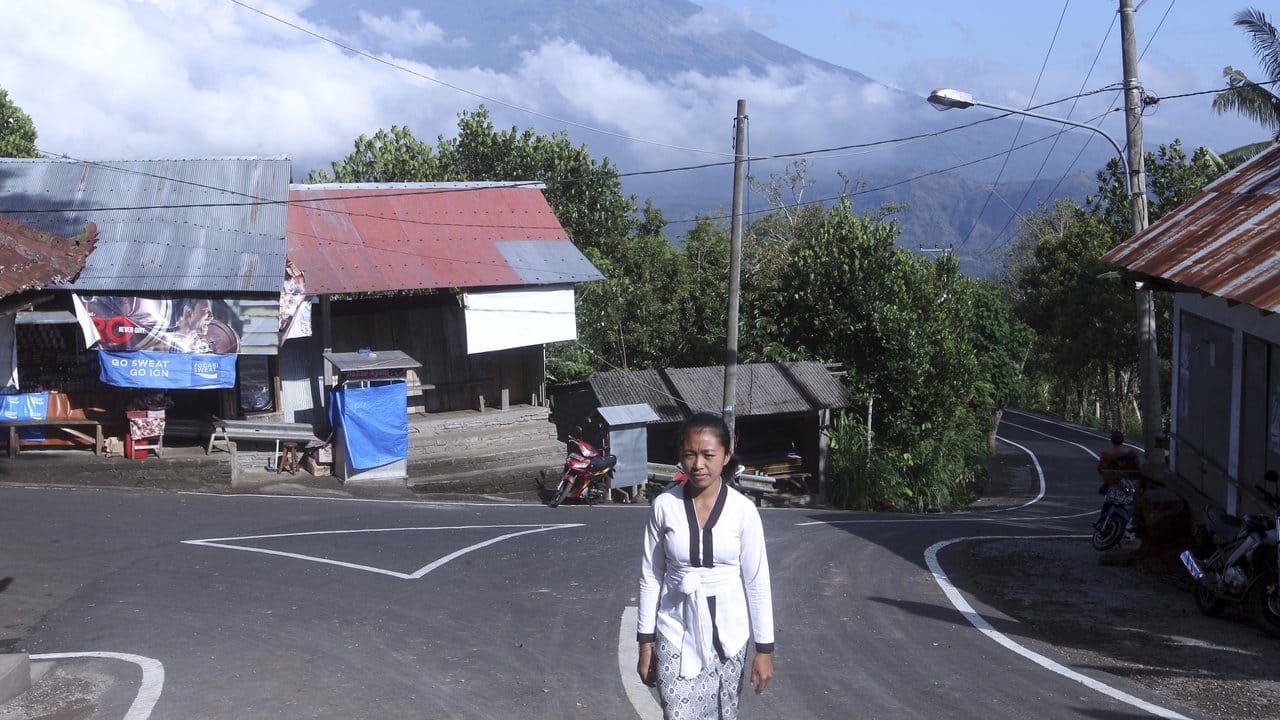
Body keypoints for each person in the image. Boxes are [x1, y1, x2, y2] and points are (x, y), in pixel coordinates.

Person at [637, 411, 775, 719]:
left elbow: (756, 581)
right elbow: (650, 577)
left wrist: (764, 649)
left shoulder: (744, 511)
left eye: (708, 455)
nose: (698, 465)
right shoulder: (664, 507)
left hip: (730, 637)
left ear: (726, 456)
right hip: (674, 632)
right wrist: (646, 644)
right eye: (690, 455)